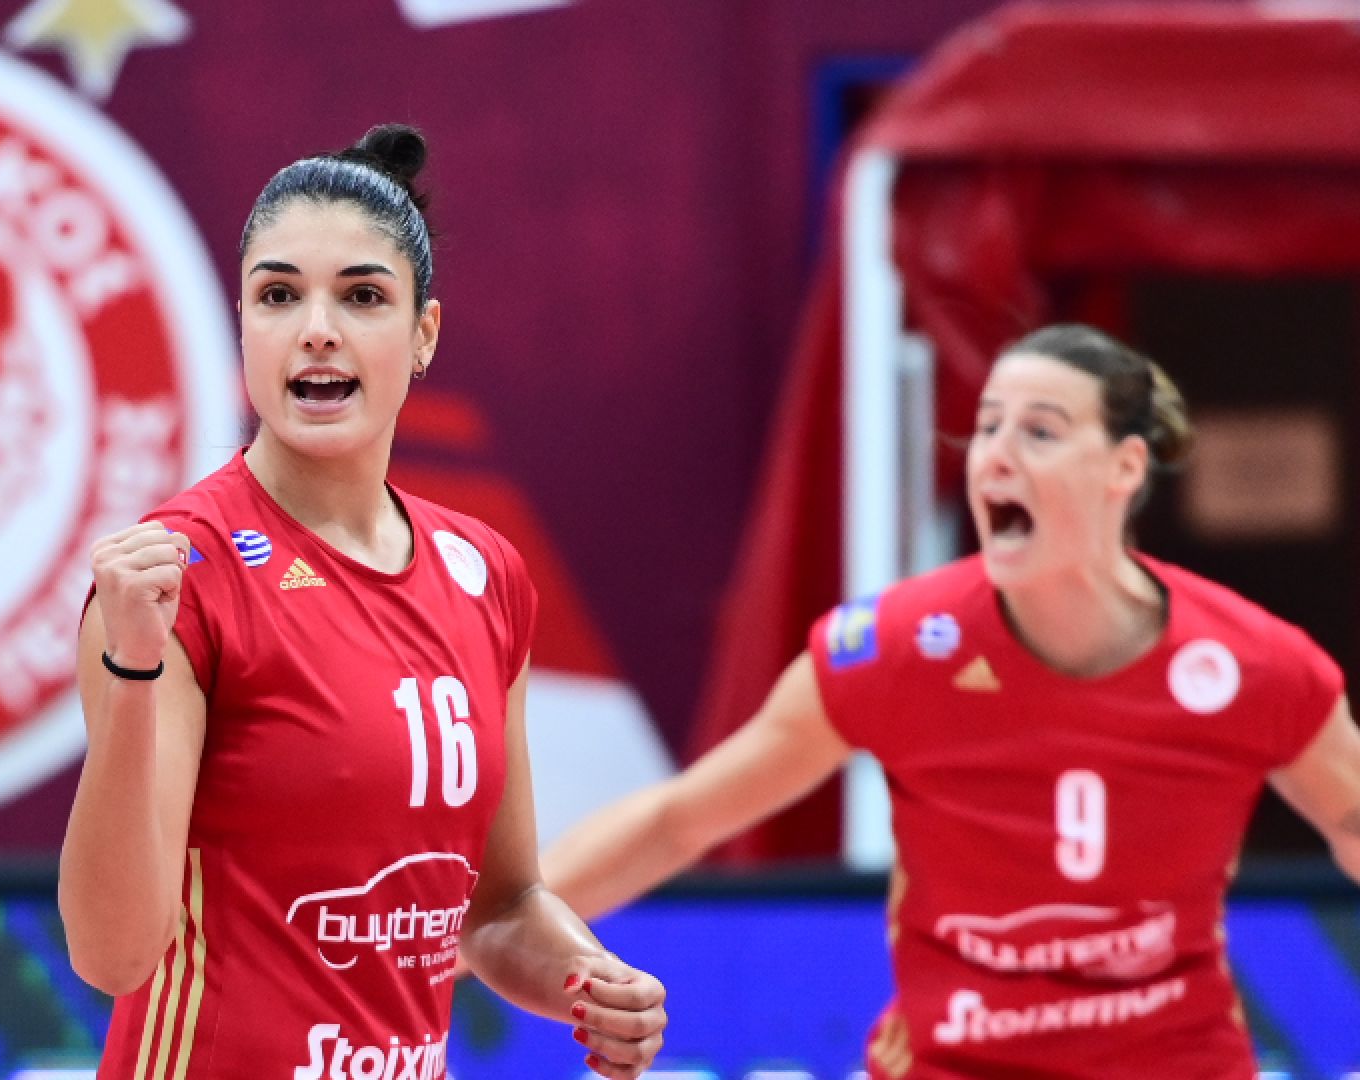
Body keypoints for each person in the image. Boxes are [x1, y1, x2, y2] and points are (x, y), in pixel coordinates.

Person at [543, 324, 1360, 1078]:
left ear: (1126, 468)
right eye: (988, 426)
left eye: (1040, 431)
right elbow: (682, 819)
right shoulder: (900, 648)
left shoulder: (1254, 665)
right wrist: (491, 926)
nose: (996, 455)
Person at [61, 124, 667, 1080]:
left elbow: (498, 909)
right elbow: (112, 957)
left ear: (424, 333)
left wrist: (591, 979)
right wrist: (131, 671)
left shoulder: (486, 575)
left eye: (362, 296)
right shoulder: (178, 578)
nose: (317, 327)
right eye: (278, 295)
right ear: (242, 324)